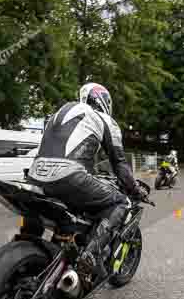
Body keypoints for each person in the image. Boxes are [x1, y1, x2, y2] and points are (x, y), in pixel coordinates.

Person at [26, 83, 146, 280]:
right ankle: (90, 255)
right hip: (68, 177)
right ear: (104, 101)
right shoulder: (105, 119)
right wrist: (134, 190)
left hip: (34, 176)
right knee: (121, 202)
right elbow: (120, 164)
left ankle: (30, 241)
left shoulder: (60, 112)